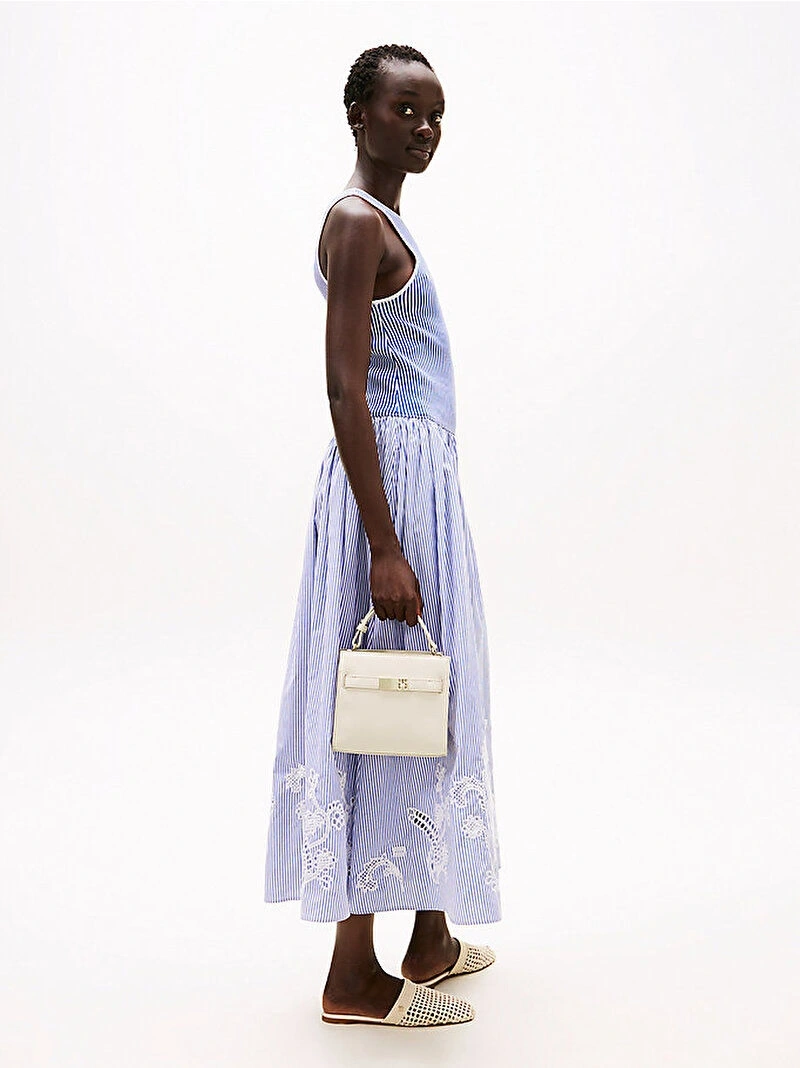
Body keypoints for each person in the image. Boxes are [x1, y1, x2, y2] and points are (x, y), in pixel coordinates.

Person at [263, 43, 502, 1027]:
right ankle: (352, 975)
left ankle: (430, 938)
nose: (424, 128)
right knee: (380, 711)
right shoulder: (358, 221)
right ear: (358, 115)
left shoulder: (386, 221)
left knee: (432, 697)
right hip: (389, 494)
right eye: (406, 109)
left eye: (435, 113)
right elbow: (343, 388)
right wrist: (384, 544)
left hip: (419, 489)